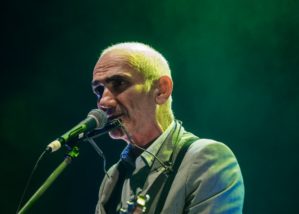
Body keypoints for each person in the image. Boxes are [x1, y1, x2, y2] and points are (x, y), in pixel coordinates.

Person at [92, 42, 244, 214]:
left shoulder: (207, 158)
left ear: (161, 90)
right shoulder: (113, 178)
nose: (103, 102)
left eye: (119, 83)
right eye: (98, 90)